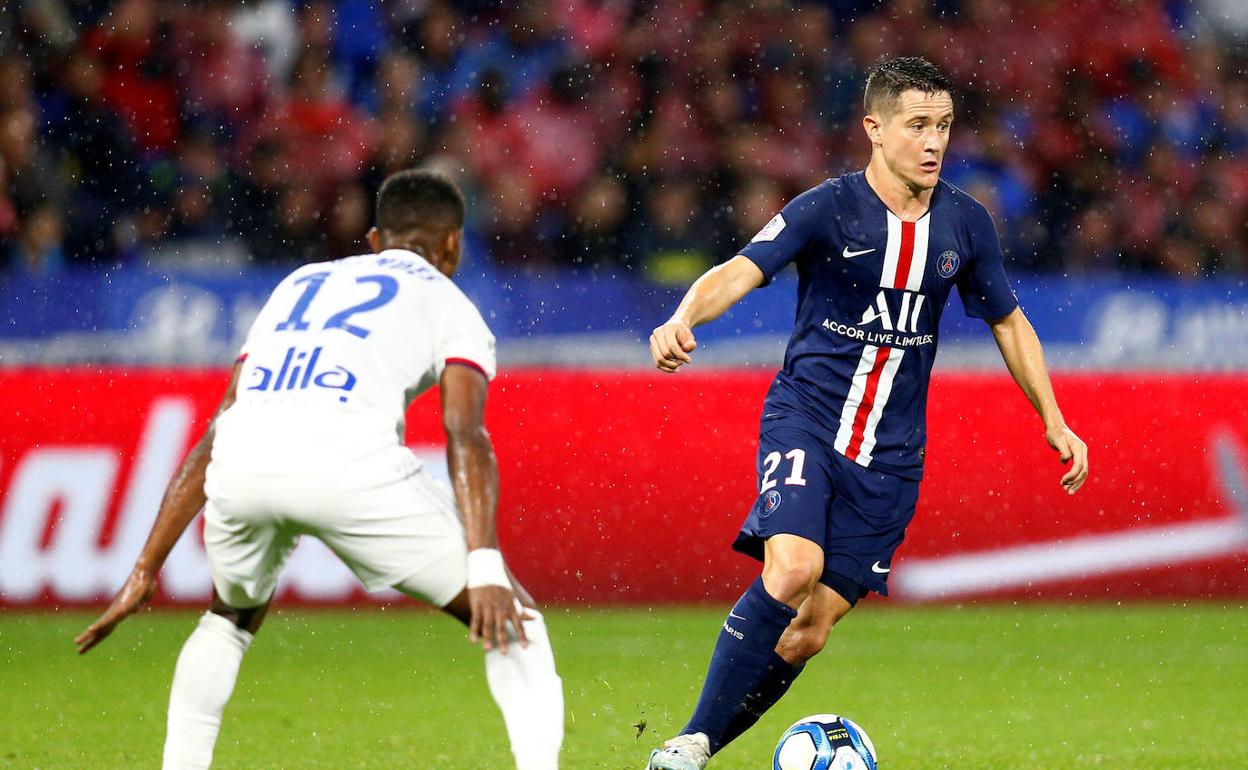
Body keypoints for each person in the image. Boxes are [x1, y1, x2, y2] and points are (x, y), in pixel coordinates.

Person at [645, 57, 1089, 770]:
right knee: (794, 568)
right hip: (808, 420)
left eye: (943, 125)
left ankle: (702, 746)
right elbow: (740, 269)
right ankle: (689, 742)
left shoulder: (966, 224)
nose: (934, 141)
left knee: (809, 631)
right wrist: (682, 317)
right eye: (917, 125)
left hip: (891, 458)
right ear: (875, 129)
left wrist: (1053, 418)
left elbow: (1009, 322)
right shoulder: (827, 208)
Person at [75, 169, 564, 770]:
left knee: (228, 618)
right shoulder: (450, 302)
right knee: (515, 620)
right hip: (349, 465)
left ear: (376, 240)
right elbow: (466, 434)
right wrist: (484, 565)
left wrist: (145, 567)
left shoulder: (299, 283)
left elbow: (218, 427)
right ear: (452, 245)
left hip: (243, 462)